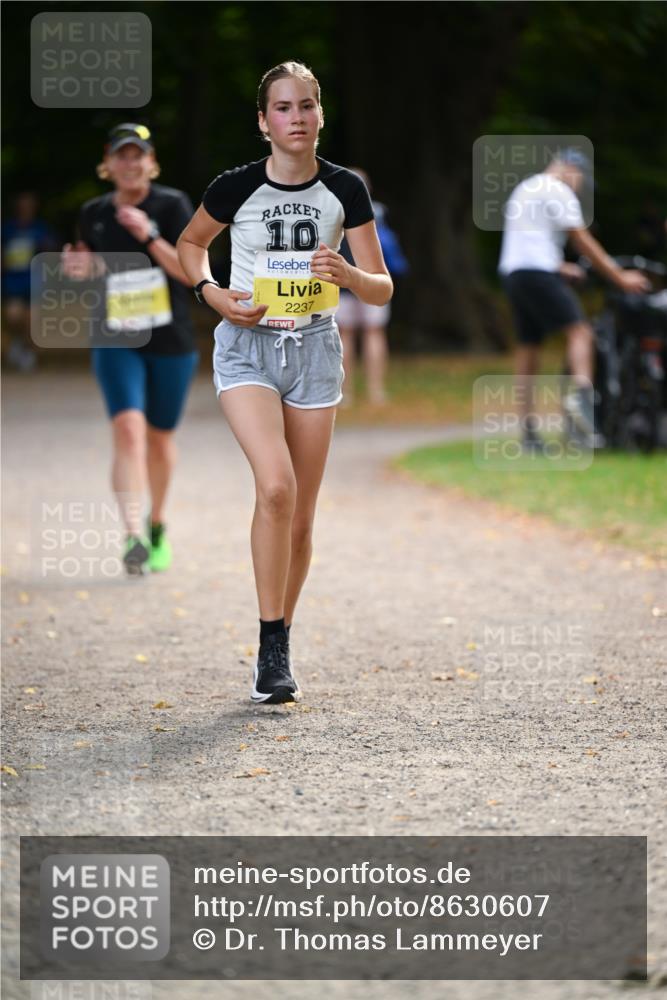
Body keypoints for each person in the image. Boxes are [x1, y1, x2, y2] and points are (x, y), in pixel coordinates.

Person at [177, 61, 392, 704]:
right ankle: (270, 644)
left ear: (320, 115)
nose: (295, 118)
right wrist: (213, 294)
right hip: (247, 348)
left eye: (306, 106)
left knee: (299, 517)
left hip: (317, 350)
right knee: (275, 488)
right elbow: (191, 245)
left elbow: (382, 290)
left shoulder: (344, 189)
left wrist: (349, 275)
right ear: (264, 121)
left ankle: (280, 640)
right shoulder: (235, 187)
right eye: (283, 108)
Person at [61, 124, 198, 575]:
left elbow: (188, 272)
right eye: (121, 155)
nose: (129, 162)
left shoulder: (172, 205)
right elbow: (91, 270)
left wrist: (149, 235)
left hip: (170, 337)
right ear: (109, 162)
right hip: (115, 336)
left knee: (159, 438)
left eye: (137, 154)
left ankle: (156, 525)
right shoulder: (92, 213)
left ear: (150, 160)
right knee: (128, 431)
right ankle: (132, 537)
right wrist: (78, 269)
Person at [498, 149, 650, 449]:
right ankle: (581, 402)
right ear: (572, 170)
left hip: (514, 273)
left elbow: (528, 239)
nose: (579, 188)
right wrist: (620, 277)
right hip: (539, 272)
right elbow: (581, 239)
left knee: (529, 347)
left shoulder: (525, 188)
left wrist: (559, 265)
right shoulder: (558, 189)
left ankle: (527, 431)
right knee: (580, 332)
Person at [336, 168, 408, 405]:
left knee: (345, 334)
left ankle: (346, 392)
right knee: (374, 333)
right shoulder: (377, 211)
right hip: (372, 280)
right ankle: (376, 391)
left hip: (342, 282)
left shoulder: (333, 210)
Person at [2, 191, 58, 372]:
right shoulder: (7, 229)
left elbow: (51, 252)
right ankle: (18, 343)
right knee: (13, 316)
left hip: (34, 281)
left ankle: (26, 351)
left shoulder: (41, 228)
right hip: (13, 281)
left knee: (32, 321)